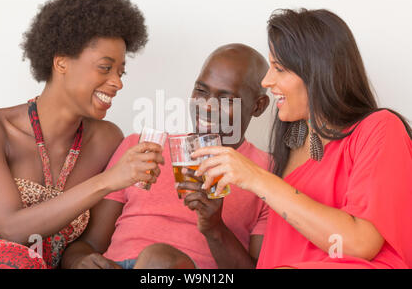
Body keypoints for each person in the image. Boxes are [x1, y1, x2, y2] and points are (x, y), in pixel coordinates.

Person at [193, 9, 412, 269]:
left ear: (318, 72)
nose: (267, 80)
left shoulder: (379, 128)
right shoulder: (290, 145)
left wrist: (258, 179)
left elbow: (361, 243)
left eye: (280, 69)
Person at [0, 0, 164, 269]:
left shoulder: (106, 139)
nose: (118, 83)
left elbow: (88, 245)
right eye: (105, 68)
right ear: (61, 62)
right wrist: (110, 180)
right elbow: (11, 228)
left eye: (121, 71)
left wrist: (82, 261)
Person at [61, 43, 271, 269]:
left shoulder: (267, 174)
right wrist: (81, 262)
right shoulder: (141, 148)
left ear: (258, 106)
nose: (207, 107)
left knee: (160, 260)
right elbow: (89, 244)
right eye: (201, 91)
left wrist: (214, 228)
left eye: (226, 98)